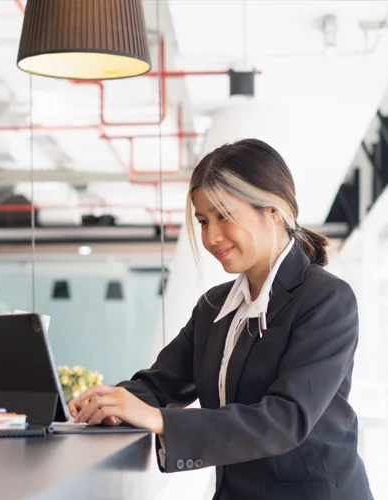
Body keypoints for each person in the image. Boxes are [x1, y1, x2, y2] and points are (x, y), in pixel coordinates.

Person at [69, 139, 373, 499]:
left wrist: (160, 420)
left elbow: (285, 419)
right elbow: (158, 386)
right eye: (202, 220)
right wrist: (110, 402)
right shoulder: (214, 307)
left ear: (273, 210)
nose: (211, 237)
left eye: (223, 216)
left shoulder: (325, 299)